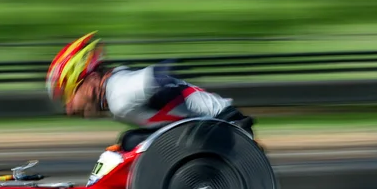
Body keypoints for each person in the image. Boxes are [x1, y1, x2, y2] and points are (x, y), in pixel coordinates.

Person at [46, 32, 254, 150]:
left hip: (226, 127)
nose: (70, 108)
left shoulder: (120, 92)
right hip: (217, 124)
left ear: (91, 80)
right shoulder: (117, 91)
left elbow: (161, 74)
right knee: (129, 142)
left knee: (133, 143)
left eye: (69, 94)